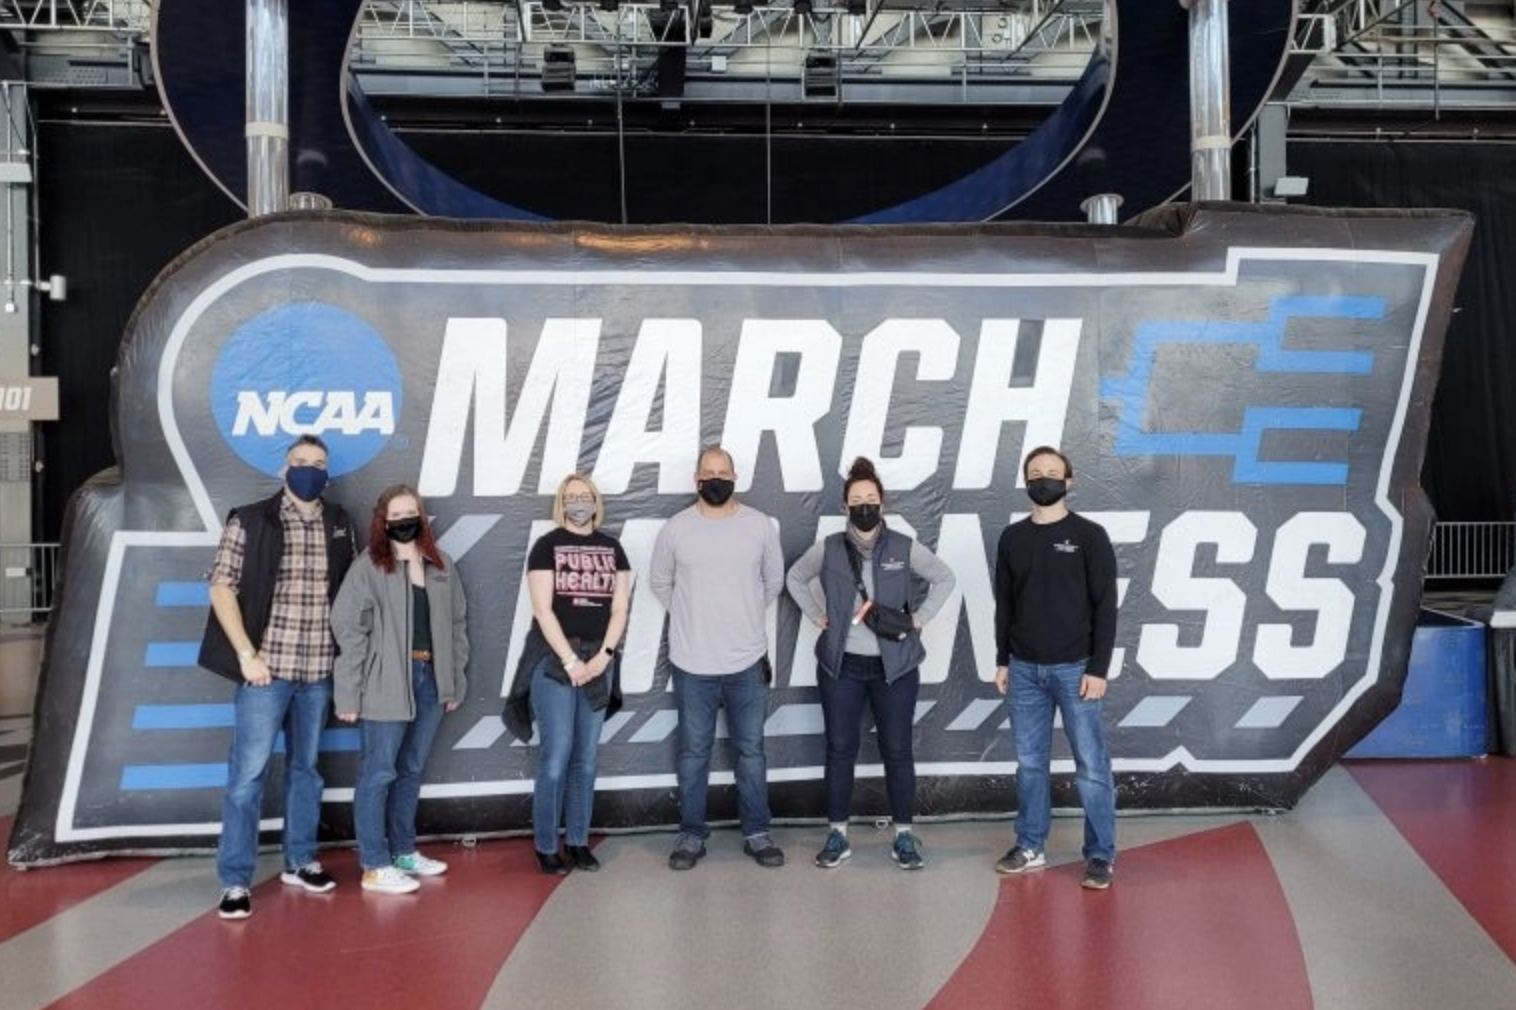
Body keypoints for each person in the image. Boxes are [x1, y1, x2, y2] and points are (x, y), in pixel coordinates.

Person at [198, 434, 357, 920]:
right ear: (284, 468)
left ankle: (301, 859)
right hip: (266, 672)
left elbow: (349, 596)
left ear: (327, 473)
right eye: (300, 462)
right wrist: (247, 654)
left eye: (318, 464)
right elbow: (221, 587)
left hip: (318, 673)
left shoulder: (339, 522)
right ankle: (235, 880)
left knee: (306, 772)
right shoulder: (249, 519)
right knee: (247, 777)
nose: (309, 470)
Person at [785, 457, 956, 870]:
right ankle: (837, 835)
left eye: (871, 499)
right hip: (841, 668)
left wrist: (918, 619)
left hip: (894, 668)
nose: (865, 506)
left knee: (897, 751)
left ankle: (904, 837)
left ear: (882, 503)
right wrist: (817, 616)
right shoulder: (827, 548)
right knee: (839, 750)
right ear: (845, 507)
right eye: (856, 500)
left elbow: (945, 578)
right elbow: (794, 578)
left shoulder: (902, 546)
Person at [650, 444, 786, 870]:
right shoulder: (676, 529)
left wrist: (738, 614)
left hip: (747, 661)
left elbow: (773, 581)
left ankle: (757, 833)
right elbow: (660, 583)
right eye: (708, 472)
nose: (716, 478)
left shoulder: (759, 525)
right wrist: (698, 616)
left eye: (723, 471)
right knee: (693, 753)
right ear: (696, 480)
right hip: (693, 665)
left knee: (751, 751)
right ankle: (691, 835)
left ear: (735, 477)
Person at [331, 484, 469, 895]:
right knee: (378, 773)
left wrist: (453, 678)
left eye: (413, 513)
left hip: (430, 681)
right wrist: (349, 694)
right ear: (384, 521)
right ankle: (374, 865)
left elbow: (458, 625)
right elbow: (349, 629)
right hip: (385, 683)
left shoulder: (440, 565)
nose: (406, 520)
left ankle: (404, 851)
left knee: (410, 770)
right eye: (397, 515)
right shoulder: (369, 567)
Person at [992, 445, 1119, 890]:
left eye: (1052, 472)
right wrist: (1002, 659)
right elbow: (1004, 605)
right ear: (1025, 481)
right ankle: (1029, 844)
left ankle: (1101, 854)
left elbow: (1107, 607)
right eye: (1035, 472)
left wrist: (1098, 668)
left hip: (1076, 669)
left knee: (1091, 765)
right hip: (1024, 670)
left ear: (1069, 481)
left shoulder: (1090, 535)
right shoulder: (1012, 538)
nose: (1043, 479)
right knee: (1029, 764)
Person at [506, 473, 631, 875]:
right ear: (562, 503)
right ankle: (546, 845)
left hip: (599, 661)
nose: (579, 501)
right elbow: (543, 610)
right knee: (556, 756)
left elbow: (620, 609)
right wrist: (571, 661)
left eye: (585, 495)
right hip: (553, 663)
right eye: (571, 496)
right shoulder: (547, 547)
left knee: (587, 759)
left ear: (596, 501)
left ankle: (578, 841)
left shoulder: (613, 549)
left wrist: (604, 657)